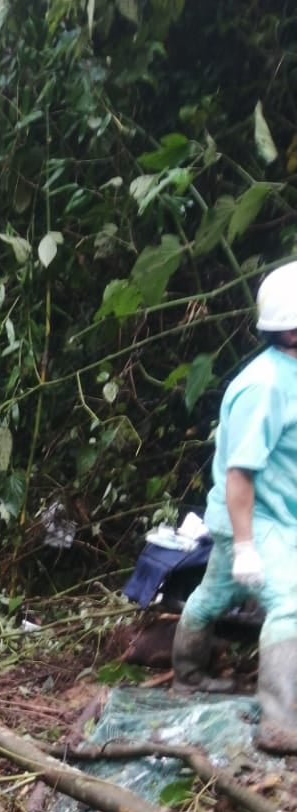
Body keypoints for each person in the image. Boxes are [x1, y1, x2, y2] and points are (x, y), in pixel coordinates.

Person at [171, 260, 297, 753]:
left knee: (213, 593)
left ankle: (188, 676)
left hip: (273, 512)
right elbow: (239, 473)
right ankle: (281, 722)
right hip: (251, 516)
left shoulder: (289, 372)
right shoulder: (263, 386)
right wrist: (246, 545)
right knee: (290, 604)